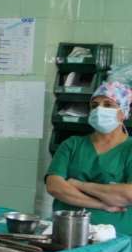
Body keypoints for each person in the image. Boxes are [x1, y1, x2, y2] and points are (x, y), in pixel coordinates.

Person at [46, 80, 132, 233]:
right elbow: (55, 187)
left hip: (115, 237)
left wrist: (79, 184)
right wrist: (102, 204)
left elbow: (128, 195)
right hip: (67, 230)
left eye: (108, 105)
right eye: (94, 105)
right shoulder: (72, 144)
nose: (99, 110)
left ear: (123, 112)